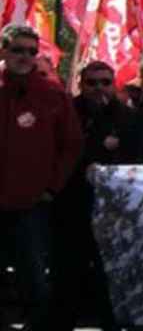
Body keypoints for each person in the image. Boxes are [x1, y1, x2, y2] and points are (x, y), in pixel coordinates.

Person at [0, 24, 83, 330]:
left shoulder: (51, 94)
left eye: (32, 51)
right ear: (3, 50)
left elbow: (72, 145)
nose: (25, 56)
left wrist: (51, 187)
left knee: (35, 283)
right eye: (18, 49)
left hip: (31, 205)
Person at [53, 61, 134, 331]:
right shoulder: (66, 111)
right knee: (67, 274)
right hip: (71, 206)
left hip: (113, 210)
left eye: (105, 82)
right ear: (80, 83)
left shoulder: (127, 115)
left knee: (108, 275)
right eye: (92, 82)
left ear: (114, 84)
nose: (99, 88)